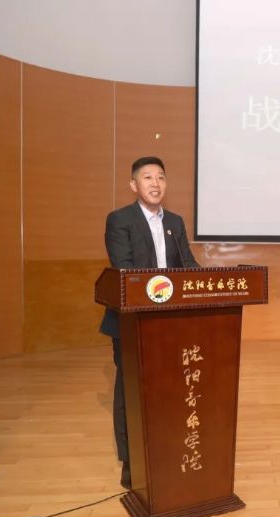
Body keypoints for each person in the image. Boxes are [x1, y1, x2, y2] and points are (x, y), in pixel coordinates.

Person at [99, 156, 200, 489]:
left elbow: (188, 266)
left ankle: (163, 450)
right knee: (130, 391)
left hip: (170, 325)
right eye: (147, 177)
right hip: (132, 322)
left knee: (168, 388)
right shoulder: (120, 220)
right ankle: (131, 462)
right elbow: (124, 269)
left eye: (160, 177)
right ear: (134, 185)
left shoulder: (175, 222)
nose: (155, 183)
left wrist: (208, 284)